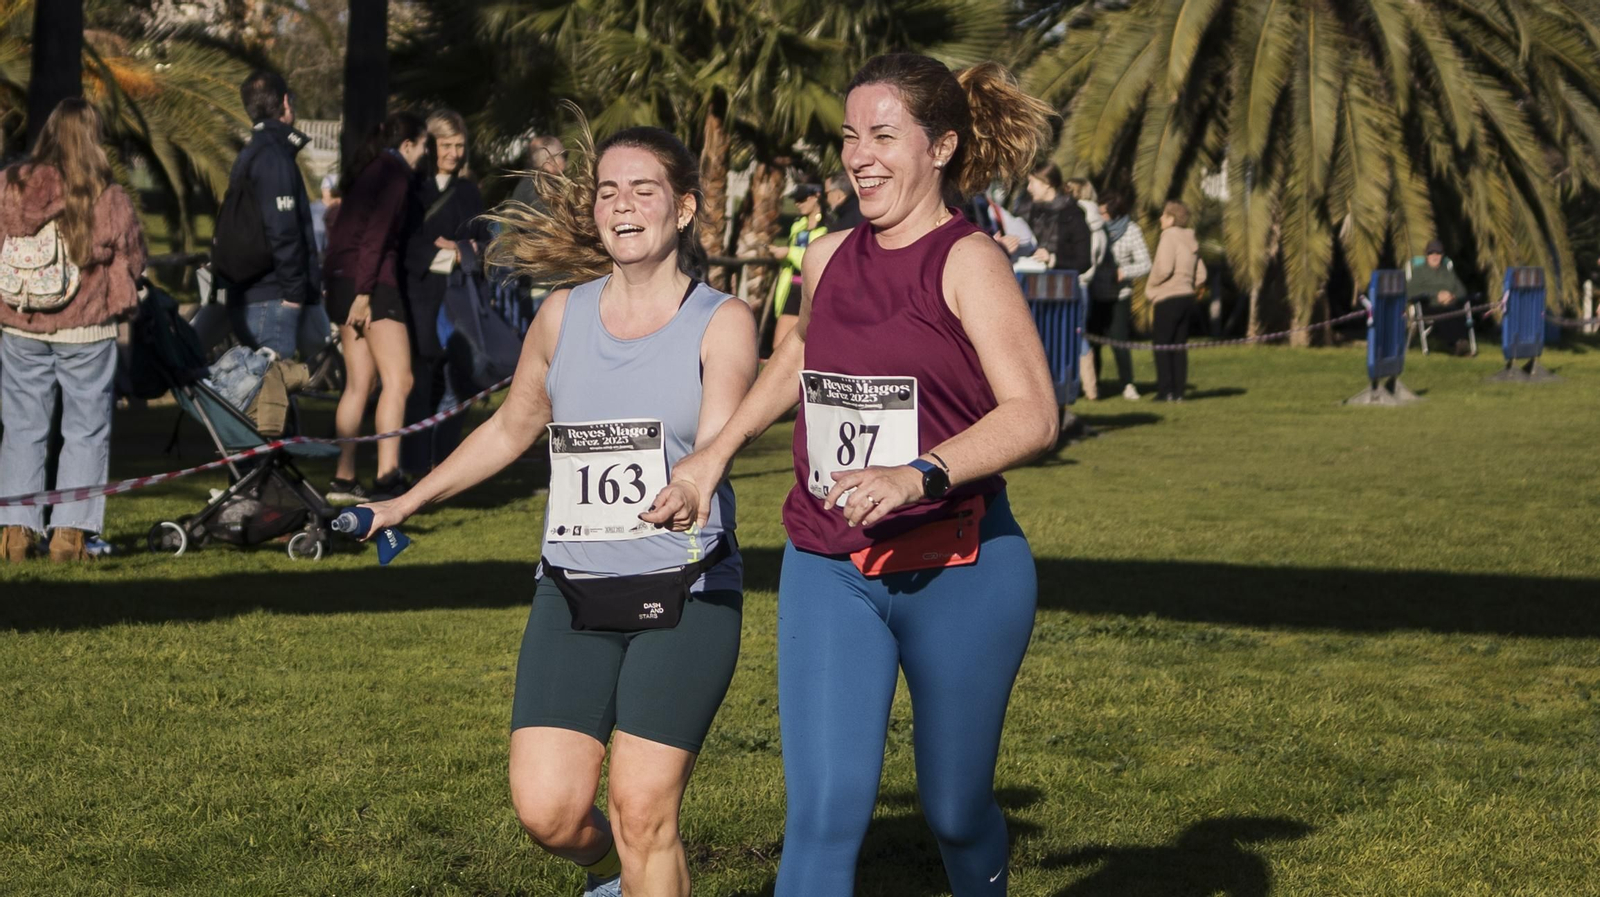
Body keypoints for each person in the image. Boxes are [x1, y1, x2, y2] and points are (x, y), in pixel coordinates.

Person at [643, 53, 1059, 895]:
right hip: (830, 565)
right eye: (848, 137)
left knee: (954, 809)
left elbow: (1034, 413)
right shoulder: (828, 256)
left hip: (960, 567)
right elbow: (795, 358)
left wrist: (919, 474)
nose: (858, 156)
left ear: (940, 147)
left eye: (882, 135)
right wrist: (711, 455)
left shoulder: (967, 259)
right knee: (826, 815)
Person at [360, 125, 756, 897]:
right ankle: (616, 876)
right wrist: (402, 500)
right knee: (548, 809)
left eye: (644, 190)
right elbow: (512, 428)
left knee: (642, 811)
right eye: (609, 190)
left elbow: (720, 434)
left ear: (684, 208)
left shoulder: (722, 319)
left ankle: (642, 867)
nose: (623, 204)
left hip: (685, 586)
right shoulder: (563, 316)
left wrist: (693, 482)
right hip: (572, 587)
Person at [0, 99, 145, 562]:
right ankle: (69, 536)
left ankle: (15, 536)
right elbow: (133, 258)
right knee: (85, 430)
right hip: (86, 331)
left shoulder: (10, 185)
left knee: (23, 428)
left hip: (21, 323)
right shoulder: (105, 193)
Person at [322, 111, 427, 502]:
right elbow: (375, 237)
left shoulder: (368, 170)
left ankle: (344, 479)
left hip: (340, 279)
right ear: (407, 145)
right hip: (371, 285)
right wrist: (364, 293)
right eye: (422, 146)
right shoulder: (395, 176)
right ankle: (387, 477)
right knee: (400, 381)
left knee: (358, 384)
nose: (424, 154)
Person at [399, 109, 491, 477]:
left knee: (459, 385)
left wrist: (463, 250)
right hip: (420, 301)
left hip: (459, 303)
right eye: (447, 145)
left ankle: (446, 466)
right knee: (419, 387)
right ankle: (415, 467)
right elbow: (406, 244)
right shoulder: (411, 188)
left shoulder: (469, 191)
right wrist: (445, 253)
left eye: (460, 145)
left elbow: (485, 242)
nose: (454, 152)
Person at [220, 70, 320, 358]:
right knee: (270, 398)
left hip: (255, 294)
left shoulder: (251, 153)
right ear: (286, 102)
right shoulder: (273, 157)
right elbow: (283, 230)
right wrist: (294, 295)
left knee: (260, 394)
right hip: (272, 297)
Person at [1146, 200, 1207, 401]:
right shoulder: (1190, 239)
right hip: (1187, 298)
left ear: (1171, 218)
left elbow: (1164, 268)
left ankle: (1165, 391)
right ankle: (1179, 391)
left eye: (1164, 215)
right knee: (1179, 346)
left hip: (1168, 297)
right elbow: (1202, 274)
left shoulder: (1169, 236)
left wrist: (1152, 285)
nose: (1161, 219)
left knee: (1162, 345)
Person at [1095, 190, 1148, 400]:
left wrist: (1124, 271)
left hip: (1119, 296)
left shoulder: (1131, 231)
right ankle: (1094, 385)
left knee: (1120, 342)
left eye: (1103, 213)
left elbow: (1145, 263)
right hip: (1096, 294)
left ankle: (1127, 384)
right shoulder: (1095, 230)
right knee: (1094, 343)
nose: (1100, 217)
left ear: (1114, 213)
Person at [768, 182, 827, 351]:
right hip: (792, 287)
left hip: (813, 288)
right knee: (779, 345)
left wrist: (789, 252)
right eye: (796, 200)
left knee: (803, 346)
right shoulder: (797, 225)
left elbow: (817, 256)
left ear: (816, 197)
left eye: (802, 199)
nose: (797, 204)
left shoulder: (829, 226)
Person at [1022, 162, 1090, 274]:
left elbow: (1083, 262)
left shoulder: (1073, 214)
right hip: (1030, 282)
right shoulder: (1031, 211)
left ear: (1047, 183)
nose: (1028, 188)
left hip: (1060, 286)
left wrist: (1052, 259)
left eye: (1032, 182)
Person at [1408, 239, 1472, 355]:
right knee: (1445, 315)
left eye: (1438, 253)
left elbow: (1462, 290)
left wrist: (1451, 296)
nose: (1435, 256)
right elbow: (1411, 291)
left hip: (1450, 304)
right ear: (1426, 255)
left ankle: (1460, 343)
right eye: (1431, 253)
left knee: (1457, 311)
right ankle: (1455, 344)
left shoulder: (1447, 271)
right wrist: (1436, 295)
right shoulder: (1419, 271)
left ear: (1442, 255)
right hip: (1429, 306)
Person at [510, 135, 568, 212]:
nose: (565, 160)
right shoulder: (539, 188)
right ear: (551, 159)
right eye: (564, 154)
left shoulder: (531, 181)